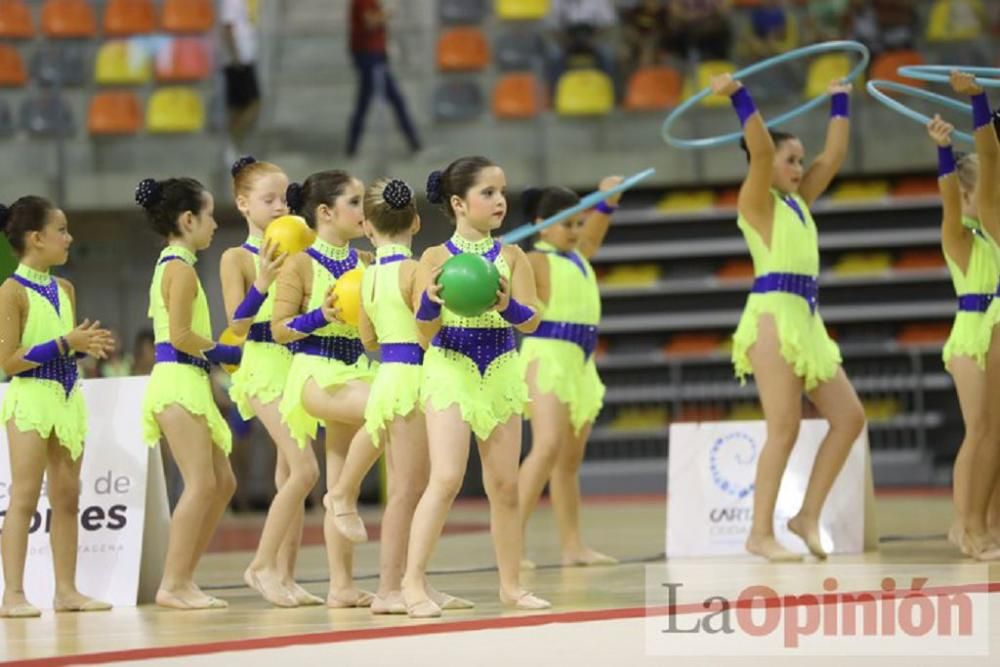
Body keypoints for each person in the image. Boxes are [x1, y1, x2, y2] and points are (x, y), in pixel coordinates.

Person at [715, 72, 866, 561]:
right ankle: (759, 532)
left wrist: (840, 100)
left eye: (801, 160)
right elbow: (758, 152)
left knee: (849, 418)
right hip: (772, 317)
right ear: (768, 164)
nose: (801, 168)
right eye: (791, 160)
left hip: (808, 319)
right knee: (784, 427)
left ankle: (806, 515)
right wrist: (741, 96)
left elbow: (835, 156)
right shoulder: (755, 202)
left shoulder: (799, 202)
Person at [400, 156, 550, 617]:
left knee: (505, 486)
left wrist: (508, 308)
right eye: (488, 192)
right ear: (459, 204)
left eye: (501, 191)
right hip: (450, 366)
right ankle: (411, 583)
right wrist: (429, 300)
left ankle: (511, 585)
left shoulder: (512, 256)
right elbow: (424, 333)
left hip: (502, 368)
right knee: (445, 478)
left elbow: (533, 320)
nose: (500, 200)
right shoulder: (434, 259)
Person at [0, 196, 114, 618]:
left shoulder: (65, 288)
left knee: (68, 497)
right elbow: (9, 360)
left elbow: (61, 349)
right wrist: (67, 343)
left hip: (67, 396)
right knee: (25, 497)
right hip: (29, 399)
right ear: (36, 238)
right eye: (62, 230)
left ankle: (66, 590)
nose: (70, 238)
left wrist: (86, 349)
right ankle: (12, 594)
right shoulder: (10, 292)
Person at [219, 156, 322, 607]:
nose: (281, 206)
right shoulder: (235, 257)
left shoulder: (300, 251)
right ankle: (260, 564)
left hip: (297, 362)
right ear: (243, 204)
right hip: (260, 365)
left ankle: (286, 575)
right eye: (269, 199)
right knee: (305, 471)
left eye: (284, 198)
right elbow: (236, 325)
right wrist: (261, 281)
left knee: (290, 477)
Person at [136, 176, 242, 609]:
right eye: (210, 216)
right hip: (178, 379)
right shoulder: (178, 268)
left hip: (189, 379)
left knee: (223, 483)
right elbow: (179, 335)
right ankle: (173, 583)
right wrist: (224, 351)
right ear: (187, 219)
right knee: (201, 484)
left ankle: (184, 578)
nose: (215, 224)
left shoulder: (178, 265)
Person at [517, 178, 624, 569]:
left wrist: (608, 201)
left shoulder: (580, 255)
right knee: (545, 447)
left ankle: (573, 546)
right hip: (546, 357)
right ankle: (511, 541)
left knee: (568, 462)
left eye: (580, 224)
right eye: (569, 224)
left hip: (581, 362)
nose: (577, 232)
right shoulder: (533, 259)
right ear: (543, 225)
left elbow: (595, 231)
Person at [346, 0, 421, 158]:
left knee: (365, 102)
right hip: (369, 57)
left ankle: (351, 147)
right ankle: (414, 143)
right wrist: (388, 12)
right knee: (394, 100)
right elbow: (370, 22)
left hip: (375, 56)